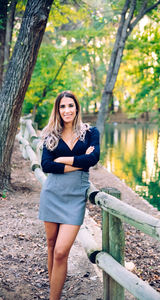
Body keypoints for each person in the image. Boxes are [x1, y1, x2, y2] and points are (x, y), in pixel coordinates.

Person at [39, 91, 100, 300]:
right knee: (50, 246)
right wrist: (78, 161)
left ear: (77, 108)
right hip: (52, 194)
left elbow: (93, 158)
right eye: (62, 106)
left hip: (75, 199)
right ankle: (53, 292)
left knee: (60, 252)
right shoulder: (51, 135)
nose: (67, 110)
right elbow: (46, 165)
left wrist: (63, 159)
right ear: (58, 110)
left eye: (70, 106)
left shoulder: (91, 133)